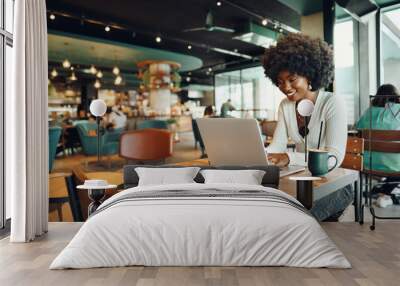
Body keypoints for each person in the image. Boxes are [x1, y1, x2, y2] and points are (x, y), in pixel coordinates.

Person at [262, 33, 352, 221]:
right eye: (279, 82)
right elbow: (277, 146)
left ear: (310, 74)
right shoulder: (285, 106)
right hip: (303, 181)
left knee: (293, 218)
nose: (285, 87)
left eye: (292, 79)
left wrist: (290, 157)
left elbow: (334, 156)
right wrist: (263, 155)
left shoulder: (332, 103)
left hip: (333, 184)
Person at [356, 84, 400, 173]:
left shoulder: (369, 112)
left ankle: (384, 186)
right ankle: (388, 186)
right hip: (396, 167)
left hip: (367, 165)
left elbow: (357, 130)